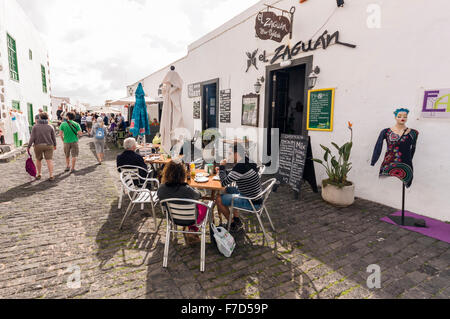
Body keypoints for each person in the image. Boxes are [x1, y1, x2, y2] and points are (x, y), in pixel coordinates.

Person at [216, 143, 262, 232]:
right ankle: (236, 219)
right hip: (256, 197)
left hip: (251, 202)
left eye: (230, 154)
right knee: (227, 190)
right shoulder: (247, 160)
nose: (228, 156)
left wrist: (222, 167)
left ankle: (232, 224)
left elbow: (224, 182)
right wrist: (223, 171)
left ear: (236, 154)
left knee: (218, 199)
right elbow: (235, 174)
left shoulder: (240, 166)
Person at [157, 160, 205, 238]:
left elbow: (162, 201)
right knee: (204, 205)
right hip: (191, 219)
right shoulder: (187, 189)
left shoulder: (161, 189)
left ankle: (191, 229)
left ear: (166, 173)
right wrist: (195, 189)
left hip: (173, 218)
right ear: (182, 174)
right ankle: (192, 229)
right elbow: (199, 195)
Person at [27, 112, 57, 181]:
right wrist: (55, 145)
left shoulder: (35, 126)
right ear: (47, 118)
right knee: (49, 160)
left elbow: (32, 137)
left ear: (39, 118)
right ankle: (51, 175)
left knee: (38, 160)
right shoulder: (50, 126)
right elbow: (53, 137)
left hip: (38, 145)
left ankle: (39, 174)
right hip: (49, 145)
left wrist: (29, 146)